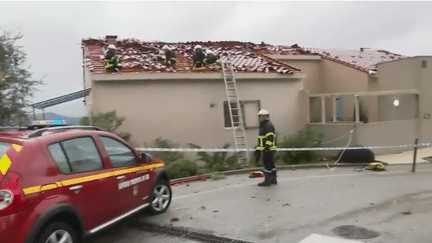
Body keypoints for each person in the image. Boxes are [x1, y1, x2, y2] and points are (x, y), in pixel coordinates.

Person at [255, 109, 277, 186]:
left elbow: (269, 137)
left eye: (262, 116)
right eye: (260, 117)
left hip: (267, 148)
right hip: (267, 147)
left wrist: (266, 147)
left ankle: (267, 180)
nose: (260, 118)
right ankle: (273, 179)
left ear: (266, 117)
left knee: (267, 164)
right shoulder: (264, 125)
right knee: (271, 164)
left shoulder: (267, 125)